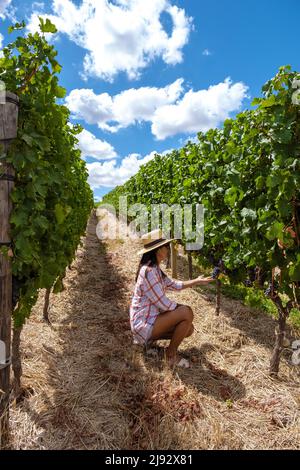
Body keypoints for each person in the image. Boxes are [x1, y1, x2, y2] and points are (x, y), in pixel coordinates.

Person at [130, 229, 216, 366]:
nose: (168, 249)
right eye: (166, 246)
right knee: (187, 312)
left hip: (150, 321)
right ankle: (170, 356)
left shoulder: (155, 269)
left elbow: (173, 284)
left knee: (188, 329)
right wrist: (182, 311)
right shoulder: (148, 272)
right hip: (143, 325)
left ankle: (151, 343)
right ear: (158, 250)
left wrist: (196, 281)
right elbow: (163, 304)